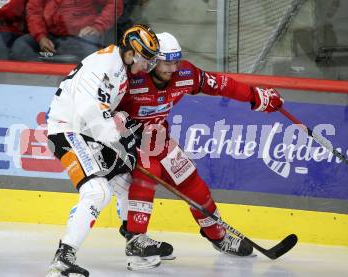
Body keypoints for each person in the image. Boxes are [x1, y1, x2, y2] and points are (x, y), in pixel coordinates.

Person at [115, 32, 284, 270]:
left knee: (194, 186)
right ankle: (136, 242)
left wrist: (256, 96)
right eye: (166, 62)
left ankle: (217, 236)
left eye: (176, 61)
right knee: (146, 176)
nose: (173, 68)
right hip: (128, 144)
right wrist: (117, 126)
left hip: (158, 139)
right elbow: (103, 108)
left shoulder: (185, 74)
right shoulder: (132, 78)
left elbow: (221, 84)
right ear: (152, 60)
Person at [45, 24, 160, 277]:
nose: (146, 68)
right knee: (97, 192)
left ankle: (135, 242)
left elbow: (103, 111)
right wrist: (118, 143)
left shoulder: (118, 65)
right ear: (130, 53)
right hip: (68, 131)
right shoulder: (107, 67)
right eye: (145, 61)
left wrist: (120, 131)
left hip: (85, 131)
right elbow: (89, 112)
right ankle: (63, 258)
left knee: (127, 183)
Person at [11, 0, 123, 62]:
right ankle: (37, 84)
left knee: (90, 52)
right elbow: (34, 11)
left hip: (81, 38)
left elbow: (114, 3)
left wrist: (98, 26)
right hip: (49, 36)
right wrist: (40, 37)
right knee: (20, 46)